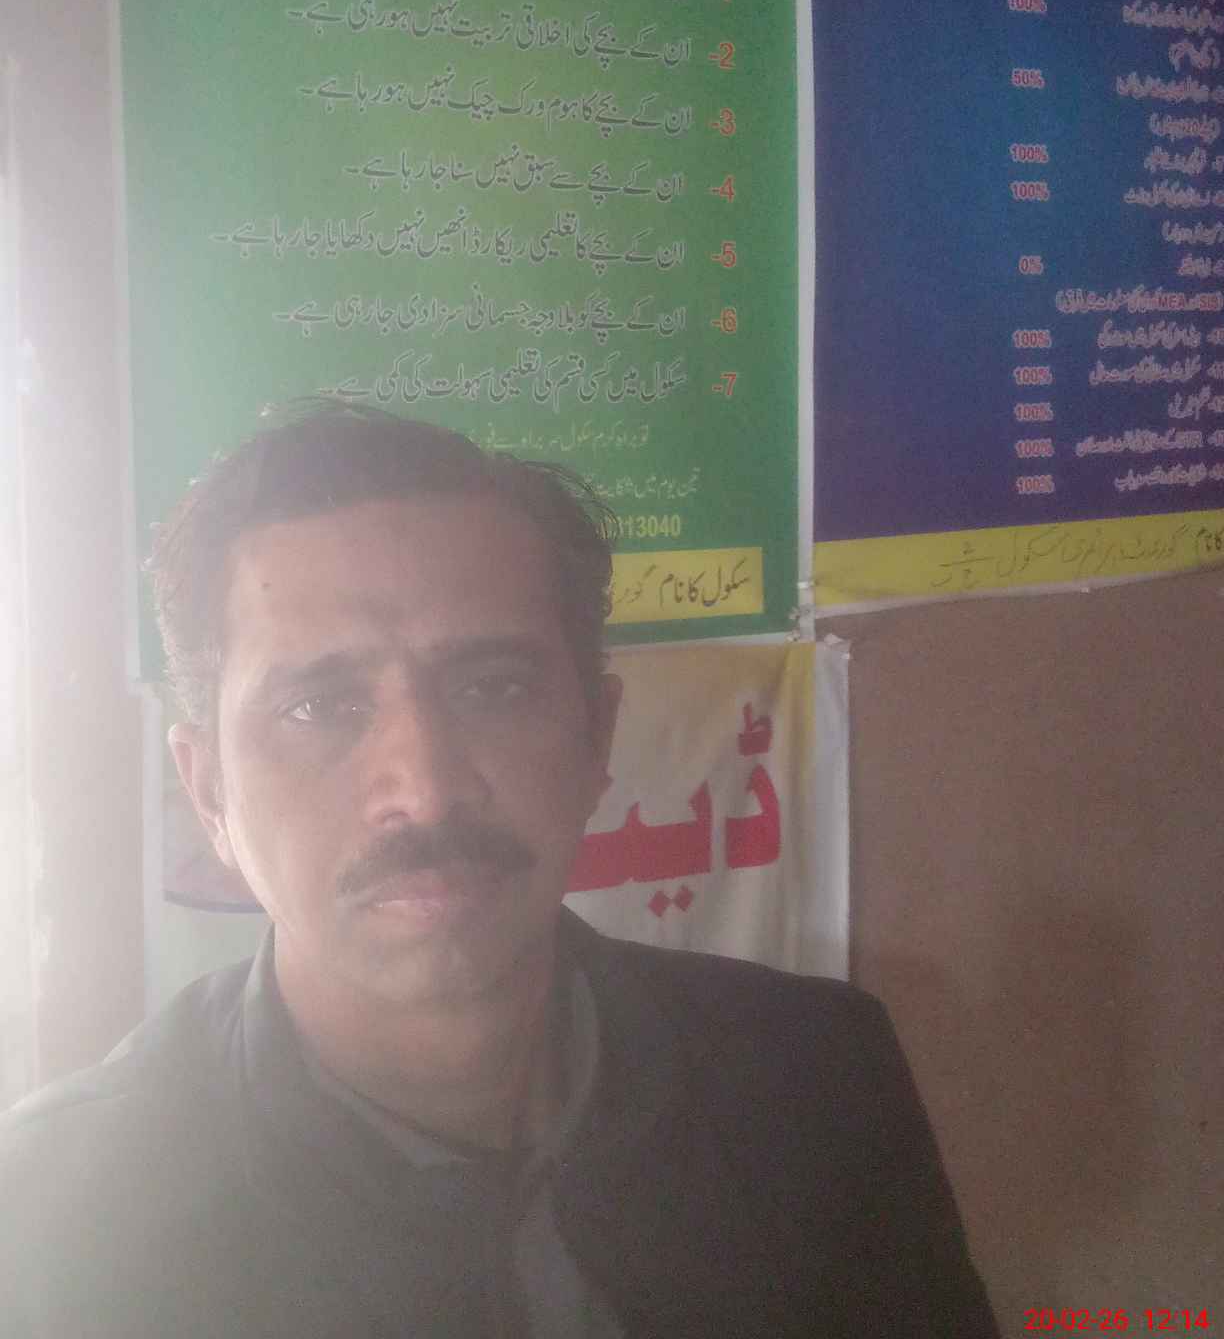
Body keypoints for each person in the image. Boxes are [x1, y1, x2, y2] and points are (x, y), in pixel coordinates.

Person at [0, 403, 999, 1338]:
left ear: (596, 738)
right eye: (318, 708)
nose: (426, 789)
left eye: (494, 687)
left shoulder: (818, 1079)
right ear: (208, 789)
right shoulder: (55, 1225)